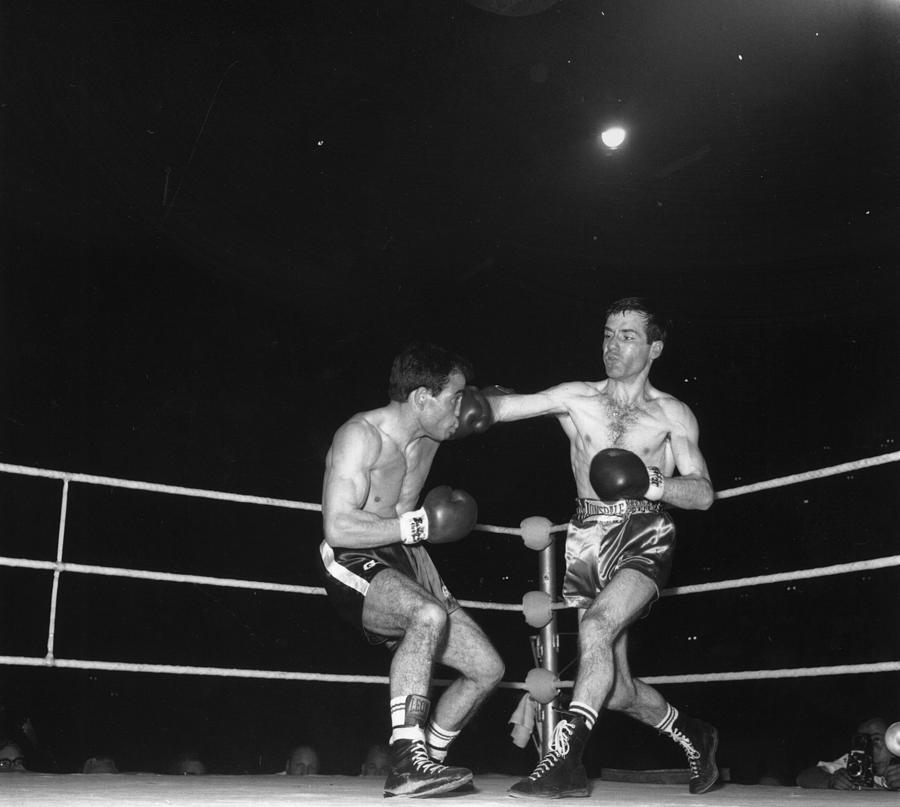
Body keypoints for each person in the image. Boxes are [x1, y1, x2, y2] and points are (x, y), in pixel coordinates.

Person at [461, 297, 718, 798]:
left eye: (627, 336)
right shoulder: (576, 397)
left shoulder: (671, 413)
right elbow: (507, 407)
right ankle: (696, 734)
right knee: (616, 688)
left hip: (644, 532)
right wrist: (457, 405)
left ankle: (565, 763)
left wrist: (650, 482)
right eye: (607, 334)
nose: (612, 345)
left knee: (597, 626)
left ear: (654, 348)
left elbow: (703, 493)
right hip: (586, 536)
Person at [317, 341, 505, 798]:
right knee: (428, 616)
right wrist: (418, 524)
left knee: (487, 669)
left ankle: (429, 761)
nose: (461, 409)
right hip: (355, 555)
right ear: (422, 397)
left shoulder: (434, 430)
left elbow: (502, 406)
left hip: (410, 556)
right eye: (455, 398)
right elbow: (338, 526)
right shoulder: (361, 436)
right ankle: (405, 759)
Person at [796, 717, 900, 790]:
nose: (870, 749)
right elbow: (805, 776)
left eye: (876, 739)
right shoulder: (856, 760)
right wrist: (830, 781)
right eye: (863, 741)